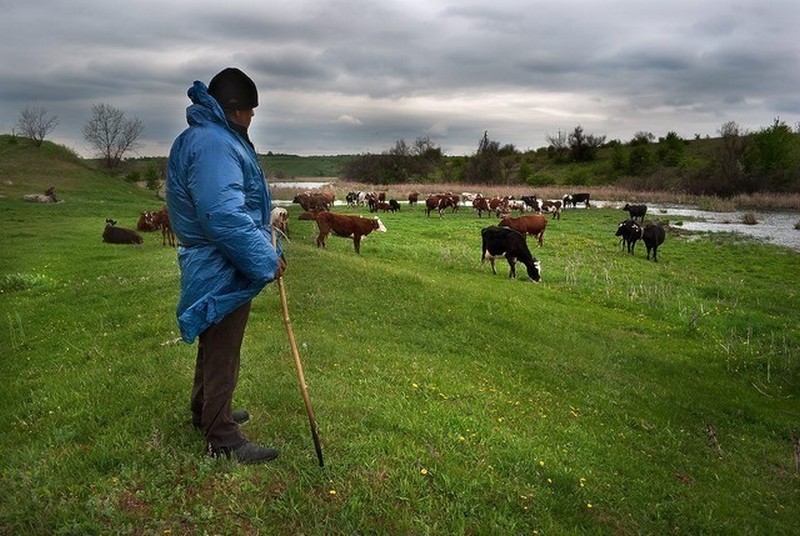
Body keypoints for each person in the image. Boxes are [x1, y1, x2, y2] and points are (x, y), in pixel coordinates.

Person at [166, 67, 285, 464]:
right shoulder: (215, 144)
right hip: (221, 260)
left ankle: (206, 409)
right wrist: (266, 260)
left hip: (216, 257)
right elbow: (223, 215)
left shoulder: (205, 138)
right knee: (223, 346)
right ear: (233, 109)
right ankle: (223, 438)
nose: (252, 117)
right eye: (249, 110)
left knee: (214, 337)